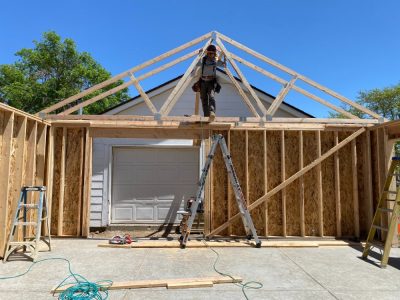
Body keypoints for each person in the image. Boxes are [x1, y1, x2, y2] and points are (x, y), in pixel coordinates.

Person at [196, 44, 225, 120]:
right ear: (207, 53)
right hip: (203, 82)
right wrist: (199, 54)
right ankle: (206, 115)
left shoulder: (215, 61)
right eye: (210, 53)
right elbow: (197, 63)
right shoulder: (203, 60)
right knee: (204, 99)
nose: (211, 55)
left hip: (211, 82)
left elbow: (224, 65)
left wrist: (224, 55)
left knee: (211, 97)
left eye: (213, 53)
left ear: (214, 54)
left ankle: (212, 112)